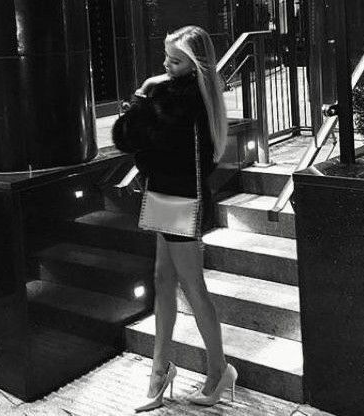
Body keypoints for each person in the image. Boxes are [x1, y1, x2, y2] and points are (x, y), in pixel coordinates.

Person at [112, 25, 238, 412]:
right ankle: (160, 368)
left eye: (176, 60)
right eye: (166, 57)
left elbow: (132, 139)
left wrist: (140, 97)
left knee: (191, 286)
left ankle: (219, 371)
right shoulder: (184, 94)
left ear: (196, 65)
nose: (167, 65)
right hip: (165, 193)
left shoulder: (182, 100)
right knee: (162, 280)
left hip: (181, 197)